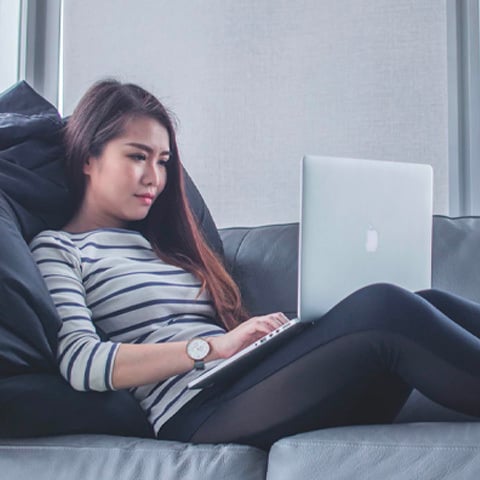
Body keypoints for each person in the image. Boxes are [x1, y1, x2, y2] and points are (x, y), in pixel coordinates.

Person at [29, 79, 480, 450]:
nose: (155, 177)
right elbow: (82, 363)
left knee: (424, 299)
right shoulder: (60, 249)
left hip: (244, 382)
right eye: (136, 156)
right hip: (194, 411)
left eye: (163, 162)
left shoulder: (163, 245)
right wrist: (212, 349)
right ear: (89, 157)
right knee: (383, 308)